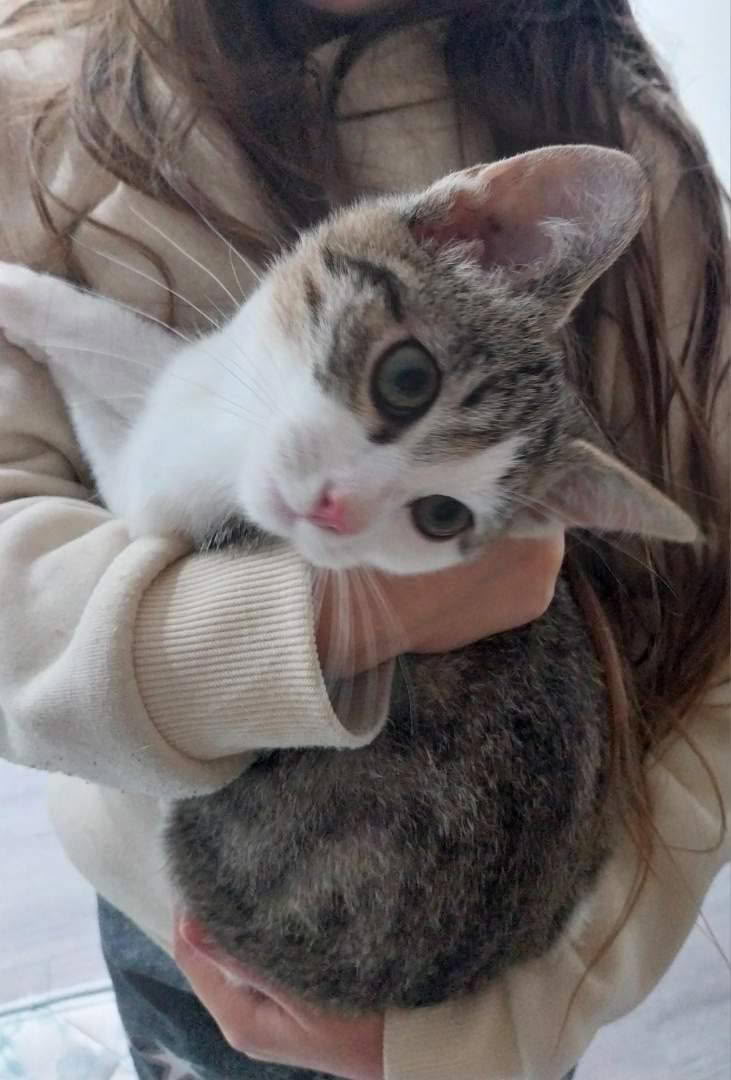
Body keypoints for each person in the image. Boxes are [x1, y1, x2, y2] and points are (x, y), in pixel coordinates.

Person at [0, 1, 727, 1078]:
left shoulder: (625, 138)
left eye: (436, 514)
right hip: (169, 902)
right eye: (404, 380)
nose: (344, 509)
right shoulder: (37, 107)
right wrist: (311, 628)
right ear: (457, 225)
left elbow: (717, 665)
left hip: (481, 1001)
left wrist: (473, 1041)